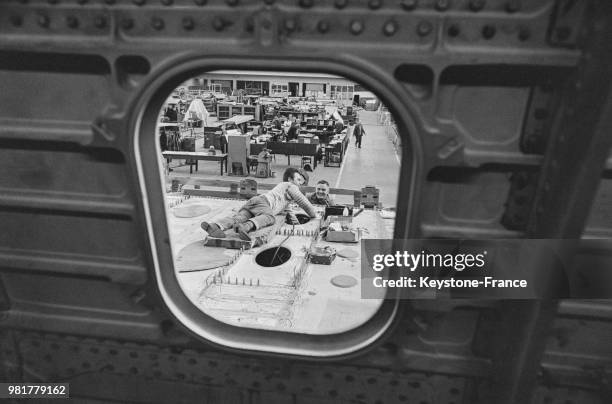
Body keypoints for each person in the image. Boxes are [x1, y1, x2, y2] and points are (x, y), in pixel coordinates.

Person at [201, 168, 317, 241]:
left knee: (240, 217)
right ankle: (245, 227)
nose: (300, 183)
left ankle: (215, 226)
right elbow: (304, 202)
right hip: (263, 202)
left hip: (254, 202)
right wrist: (313, 215)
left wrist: (297, 226)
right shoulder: (290, 186)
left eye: (302, 181)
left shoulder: (286, 200)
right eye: (298, 179)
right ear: (290, 179)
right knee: (270, 217)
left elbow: (289, 213)